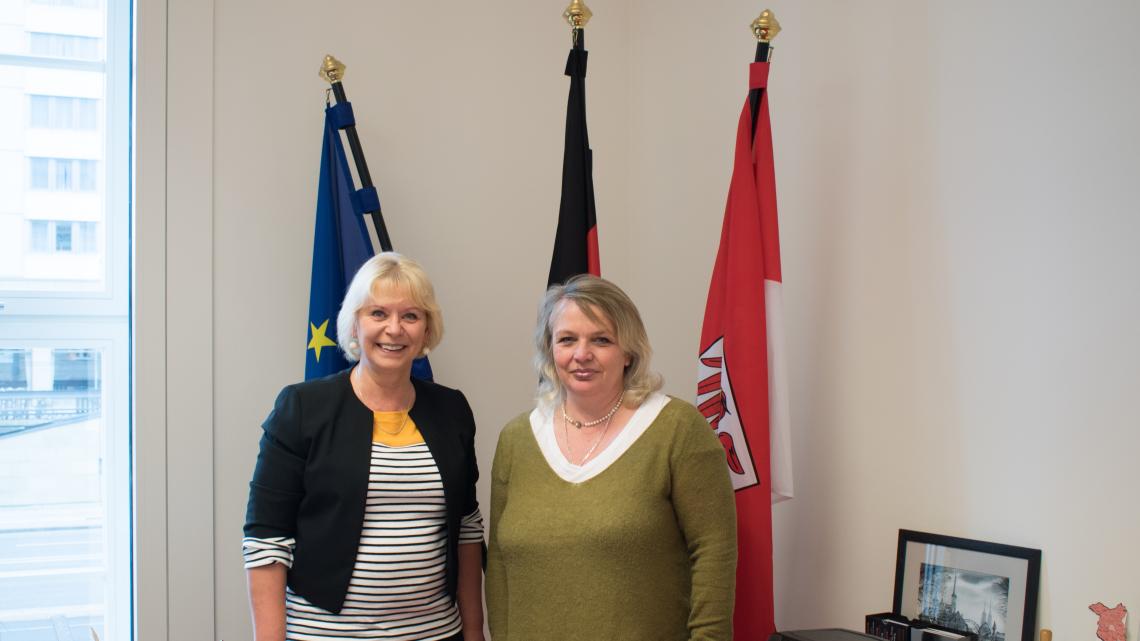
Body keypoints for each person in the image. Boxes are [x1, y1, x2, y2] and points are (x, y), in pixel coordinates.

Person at [244, 252, 484, 641]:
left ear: (426, 330)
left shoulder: (451, 409)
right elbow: (266, 541)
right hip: (326, 634)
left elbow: (467, 529)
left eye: (410, 316)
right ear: (354, 324)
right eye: (378, 314)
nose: (395, 329)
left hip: (436, 632)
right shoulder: (303, 408)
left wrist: (475, 632)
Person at [485, 274, 737, 640]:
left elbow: (715, 551)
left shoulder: (677, 429)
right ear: (549, 350)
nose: (581, 354)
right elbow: (499, 570)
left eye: (601, 340)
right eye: (567, 339)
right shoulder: (516, 440)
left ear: (628, 351)